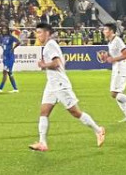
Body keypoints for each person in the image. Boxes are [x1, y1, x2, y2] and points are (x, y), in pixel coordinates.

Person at [30, 18, 104, 152]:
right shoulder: (49, 46)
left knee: (75, 112)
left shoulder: (50, 45)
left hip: (60, 84)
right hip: (51, 84)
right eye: (37, 33)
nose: (38, 35)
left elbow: (56, 63)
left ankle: (98, 130)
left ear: (47, 33)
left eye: (40, 32)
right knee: (43, 112)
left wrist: (43, 65)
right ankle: (42, 143)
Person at [100, 22, 126, 122]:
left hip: (121, 68)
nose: (103, 31)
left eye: (105, 29)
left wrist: (113, 59)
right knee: (117, 94)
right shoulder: (110, 42)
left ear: (111, 31)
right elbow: (113, 54)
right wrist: (106, 57)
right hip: (116, 68)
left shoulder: (117, 40)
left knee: (114, 94)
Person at [0, 26, 20, 94]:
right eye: (3, 29)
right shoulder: (2, 37)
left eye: (5, 29)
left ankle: (0, 88)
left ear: (7, 30)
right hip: (5, 57)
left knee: (5, 72)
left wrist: (13, 48)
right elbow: (0, 43)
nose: (4, 30)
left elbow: (18, 42)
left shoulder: (11, 37)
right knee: (9, 73)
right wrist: (3, 47)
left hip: (10, 57)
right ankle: (15, 88)